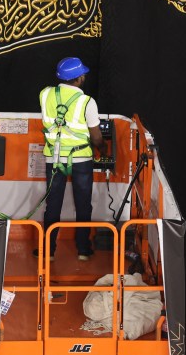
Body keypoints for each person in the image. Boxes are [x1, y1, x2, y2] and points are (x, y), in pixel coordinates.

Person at [37, 57, 107, 262]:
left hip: (54, 158)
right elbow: (96, 136)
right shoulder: (87, 102)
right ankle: (83, 250)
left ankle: (48, 251)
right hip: (81, 159)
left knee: (53, 204)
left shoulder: (45, 94)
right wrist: (103, 148)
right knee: (83, 204)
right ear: (80, 78)